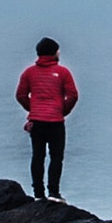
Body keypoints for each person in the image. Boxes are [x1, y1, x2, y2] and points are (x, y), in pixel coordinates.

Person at [16, 36, 78, 202]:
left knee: (38, 156)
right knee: (56, 156)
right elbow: (72, 95)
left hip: (36, 121)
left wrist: (33, 109)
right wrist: (61, 111)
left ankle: (38, 194)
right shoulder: (63, 72)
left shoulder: (28, 72)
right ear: (54, 53)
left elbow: (20, 95)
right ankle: (54, 193)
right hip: (56, 122)